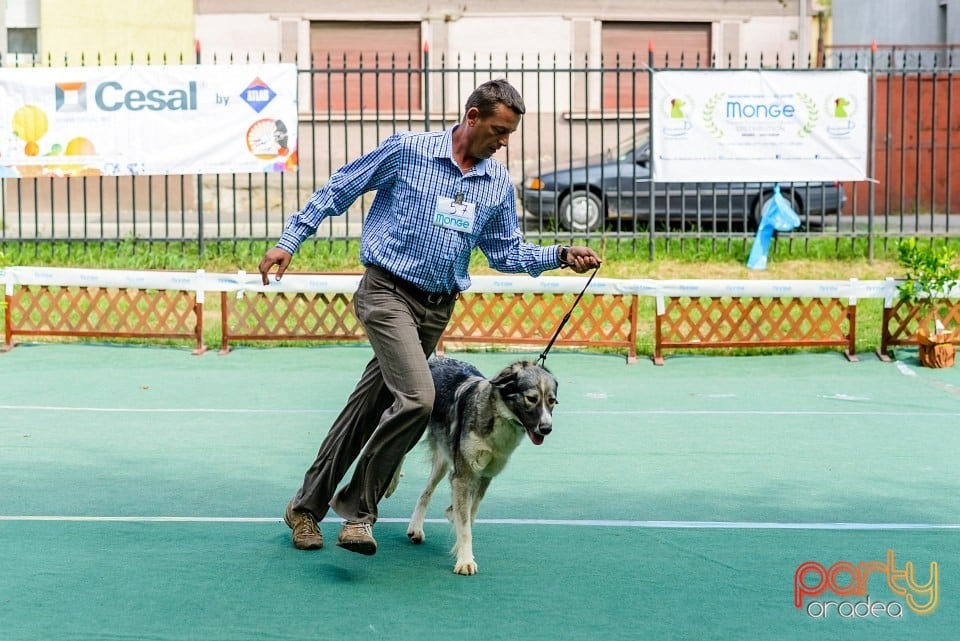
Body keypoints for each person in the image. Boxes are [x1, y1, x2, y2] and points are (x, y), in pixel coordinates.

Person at [257, 79, 601, 555]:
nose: (503, 142)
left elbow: (504, 252)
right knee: (419, 398)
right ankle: (359, 512)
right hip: (386, 294)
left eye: (510, 135)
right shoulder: (408, 150)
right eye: (498, 130)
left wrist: (559, 254)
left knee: (365, 412)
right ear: (472, 116)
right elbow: (340, 188)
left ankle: (304, 509)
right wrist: (289, 241)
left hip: (435, 308)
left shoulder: (495, 182)